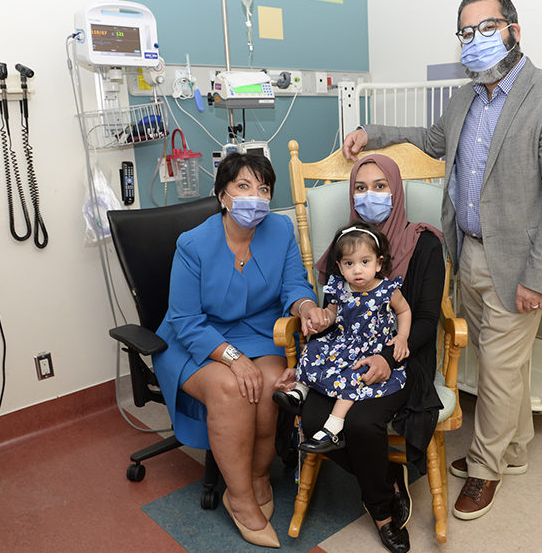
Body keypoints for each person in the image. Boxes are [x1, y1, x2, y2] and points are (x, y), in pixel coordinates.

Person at [341, 0, 542, 521]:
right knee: (503, 366)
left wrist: (538, 277)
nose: (475, 40)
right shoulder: (465, 99)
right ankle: (515, 448)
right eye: (466, 32)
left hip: (520, 263)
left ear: (514, 31)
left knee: (500, 369)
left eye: (487, 27)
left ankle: (485, 469)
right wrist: (373, 133)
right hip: (470, 255)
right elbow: (429, 141)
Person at [151, 152, 326, 548]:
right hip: (195, 338)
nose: (256, 197)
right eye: (244, 186)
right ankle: (240, 497)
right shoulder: (193, 244)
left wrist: (306, 306)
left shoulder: (279, 230)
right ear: (222, 195)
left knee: (267, 384)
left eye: (263, 189)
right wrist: (232, 358)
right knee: (232, 388)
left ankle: (259, 475)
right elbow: (184, 319)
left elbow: (294, 284)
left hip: (258, 331)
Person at [275, 154, 445, 553]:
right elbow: (339, 313)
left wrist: (388, 357)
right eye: (361, 188)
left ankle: (382, 512)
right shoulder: (346, 248)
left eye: (380, 186)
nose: (370, 196)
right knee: (315, 419)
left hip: (403, 357)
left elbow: (423, 318)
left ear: (396, 191)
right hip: (346, 358)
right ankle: (386, 478)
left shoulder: (424, 244)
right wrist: (317, 324)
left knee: (362, 425)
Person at [274, 222, 411, 454]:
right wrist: (322, 319)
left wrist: (402, 338)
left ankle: (333, 428)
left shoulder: (387, 290)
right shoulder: (341, 288)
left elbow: (404, 311)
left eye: (365, 262)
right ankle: (300, 392)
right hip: (344, 342)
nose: (357, 270)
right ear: (339, 266)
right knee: (313, 349)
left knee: (354, 375)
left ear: (379, 263)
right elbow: (333, 313)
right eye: (349, 263)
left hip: (371, 349)